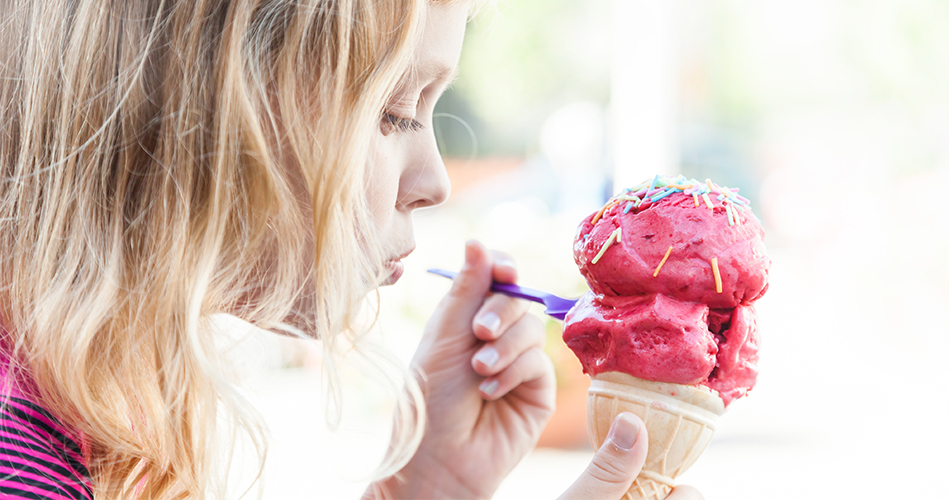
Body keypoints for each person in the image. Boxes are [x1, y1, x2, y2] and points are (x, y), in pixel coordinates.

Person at [0, 0, 704, 498]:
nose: (430, 181)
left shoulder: (84, 393)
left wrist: (421, 491)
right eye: (393, 112)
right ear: (206, 104)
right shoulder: (16, 458)